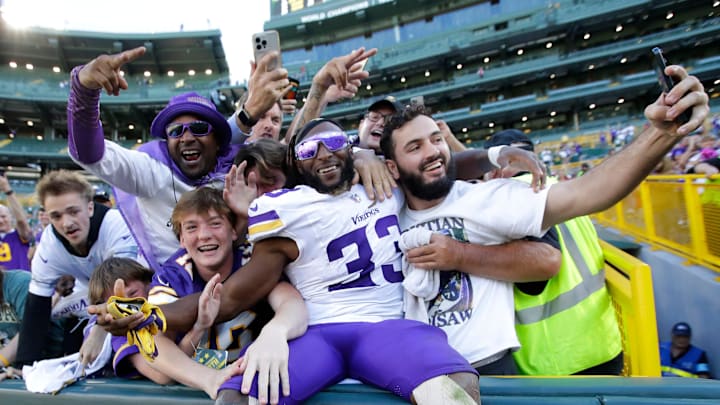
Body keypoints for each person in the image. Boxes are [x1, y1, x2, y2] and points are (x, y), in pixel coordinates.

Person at [380, 62, 708, 376]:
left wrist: (661, 134)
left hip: (491, 373)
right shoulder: (382, 213)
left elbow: (587, 192)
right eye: (415, 146)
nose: (433, 151)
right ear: (391, 168)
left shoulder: (487, 198)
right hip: (418, 371)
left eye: (436, 139)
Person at [69, 47, 390, 270]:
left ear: (219, 140)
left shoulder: (240, 164)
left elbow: (296, 154)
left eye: (198, 128)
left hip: (246, 282)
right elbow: (89, 152)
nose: (187, 137)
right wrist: (84, 90)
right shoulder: (149, 170)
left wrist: (360, 153)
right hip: (173, 286)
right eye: (175, 132)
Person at [483, 129, 623, 375]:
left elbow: (534, 282)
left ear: (502, 165)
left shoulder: (512, 196)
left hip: (556, 362)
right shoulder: (559, 188)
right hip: (604, 343)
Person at [14, 170, 139, 367]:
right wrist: (24, 366)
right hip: (90, 295)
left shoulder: (115, 223)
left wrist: (99, 330)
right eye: (56, 216)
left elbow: (121, 286)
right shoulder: (49, 243)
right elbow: (37, 306)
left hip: (135, 294)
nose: (67, 223)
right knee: (67, 320)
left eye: (73, 211)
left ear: (90, 207)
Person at [0, 172, 33, 271]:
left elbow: (21, 221)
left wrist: (7, 190)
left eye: (4, 216)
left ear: (10, 217)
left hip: (18, 284)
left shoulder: (19, 236)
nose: (0, 221)